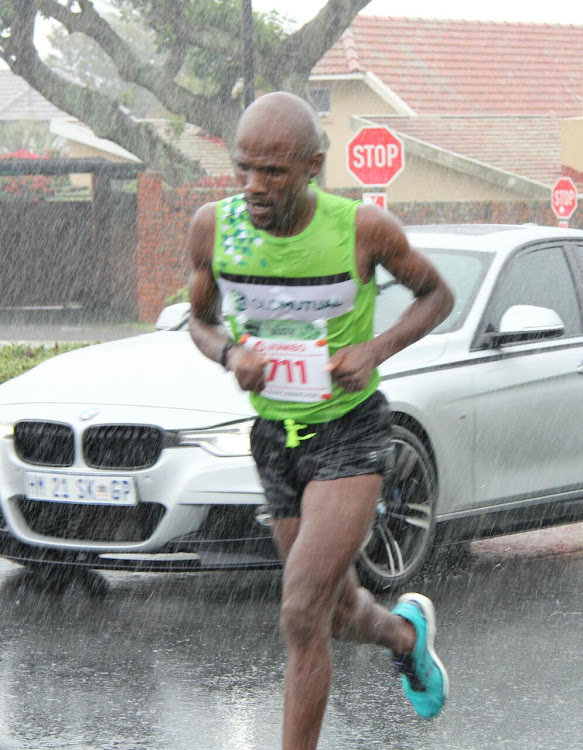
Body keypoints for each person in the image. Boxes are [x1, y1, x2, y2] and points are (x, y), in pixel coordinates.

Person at [188, 91, 454, 750]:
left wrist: (374, 348)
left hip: (350, 434)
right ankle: (402, 635)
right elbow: (200, 318)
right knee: (332, 612)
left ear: (312, 166)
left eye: (272, 172)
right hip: (275, 439)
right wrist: (229, 352)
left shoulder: (360, 229)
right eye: (243, 167)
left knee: (300, 609)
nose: (253, 185)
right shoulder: (213, 228)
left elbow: (436, 295)